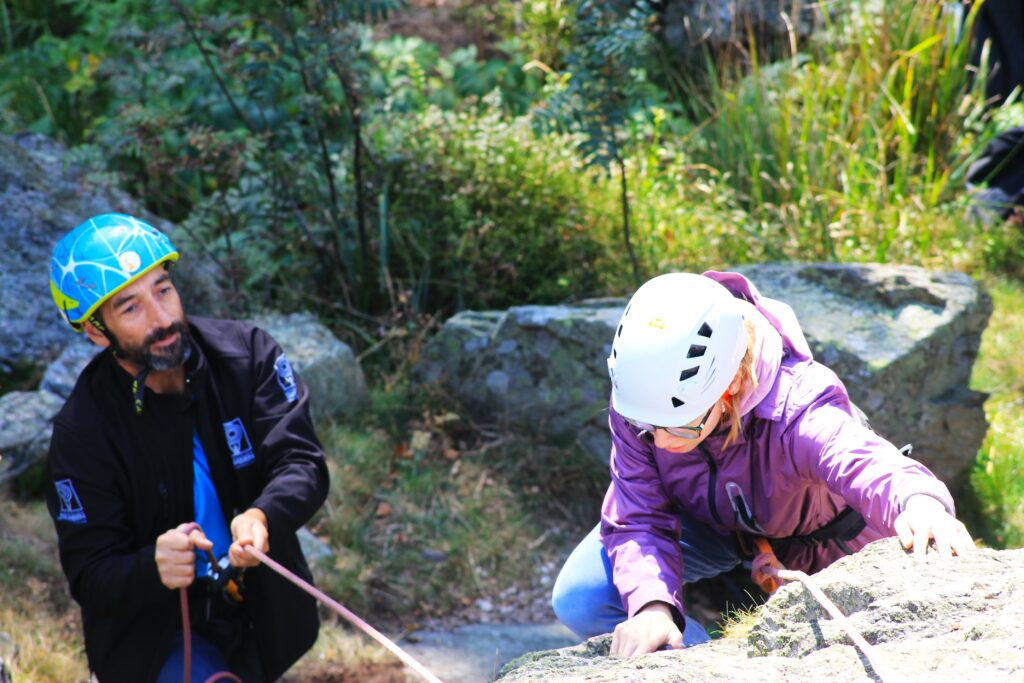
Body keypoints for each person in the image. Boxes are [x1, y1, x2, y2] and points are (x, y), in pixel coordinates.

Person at [551, 271, 975, 657]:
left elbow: (863, 459)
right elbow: (638, 513)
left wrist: (919, 502)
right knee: (582, 597)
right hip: (714, 525)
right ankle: (697, 665)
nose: (656, 440)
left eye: (676, 426)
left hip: (821, 543)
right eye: (644, 425)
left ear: (730, 386)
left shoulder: (798, 410)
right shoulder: (644, 398)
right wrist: (652, 607)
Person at [45, 213, 330, 682]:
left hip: (263, 613)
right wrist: (150, 566)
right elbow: (90, 575)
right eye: (130, 308)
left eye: (163, 289)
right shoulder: (83, 432)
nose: (162, 318)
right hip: (155, 637)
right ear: (97, 332)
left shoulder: (247, 355)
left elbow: (302, 462)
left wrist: (263, 515)